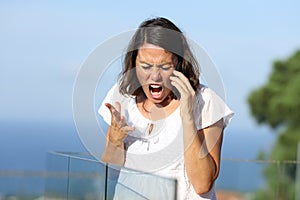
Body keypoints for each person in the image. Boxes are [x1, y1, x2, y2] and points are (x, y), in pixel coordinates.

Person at [98, 17, 234, 200]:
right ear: (134, 63)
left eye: (164, 66)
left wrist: (187, 117)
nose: (155, 76)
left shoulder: (205, 101)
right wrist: (115, 141)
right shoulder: (122, 96)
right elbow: (111, 173)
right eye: (145, 66)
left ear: (179, 63)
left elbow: (203, 185)